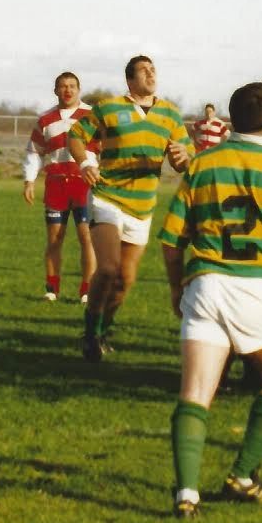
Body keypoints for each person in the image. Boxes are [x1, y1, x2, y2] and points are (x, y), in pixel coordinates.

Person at [158, 82, 262, 518]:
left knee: (195, 393)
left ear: (232, 122)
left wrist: (177, 287)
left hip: (207, 286)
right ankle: (243, 475)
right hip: (260, 289)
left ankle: (186, 496)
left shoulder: (202, 164)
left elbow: (171, 240)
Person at [68, 55, 194, 361]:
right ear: (130, 80)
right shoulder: (109, 108)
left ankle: (101, 330)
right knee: (108, 268)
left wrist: (182, 156)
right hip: (107, 197)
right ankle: (90, 333)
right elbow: (76, 136)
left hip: (143, 206)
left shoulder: (170, 114)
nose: (151, 73)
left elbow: (186, 156)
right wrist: (85, 161)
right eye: (143, 70)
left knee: (125, 280)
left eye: (153, 69)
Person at [22, 71, 98, 303]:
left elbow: (107, 148)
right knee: (55, 239)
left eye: (72, 86)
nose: (67, 90)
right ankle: (51, 289)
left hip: (85, 184)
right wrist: (29, 180)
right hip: (56, 185)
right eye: (63, 86)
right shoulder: (45, 119)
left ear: (79, 89)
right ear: (56, 90)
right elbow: (34, 152)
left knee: (87, 237)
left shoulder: (92, 117)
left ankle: (87, 290)